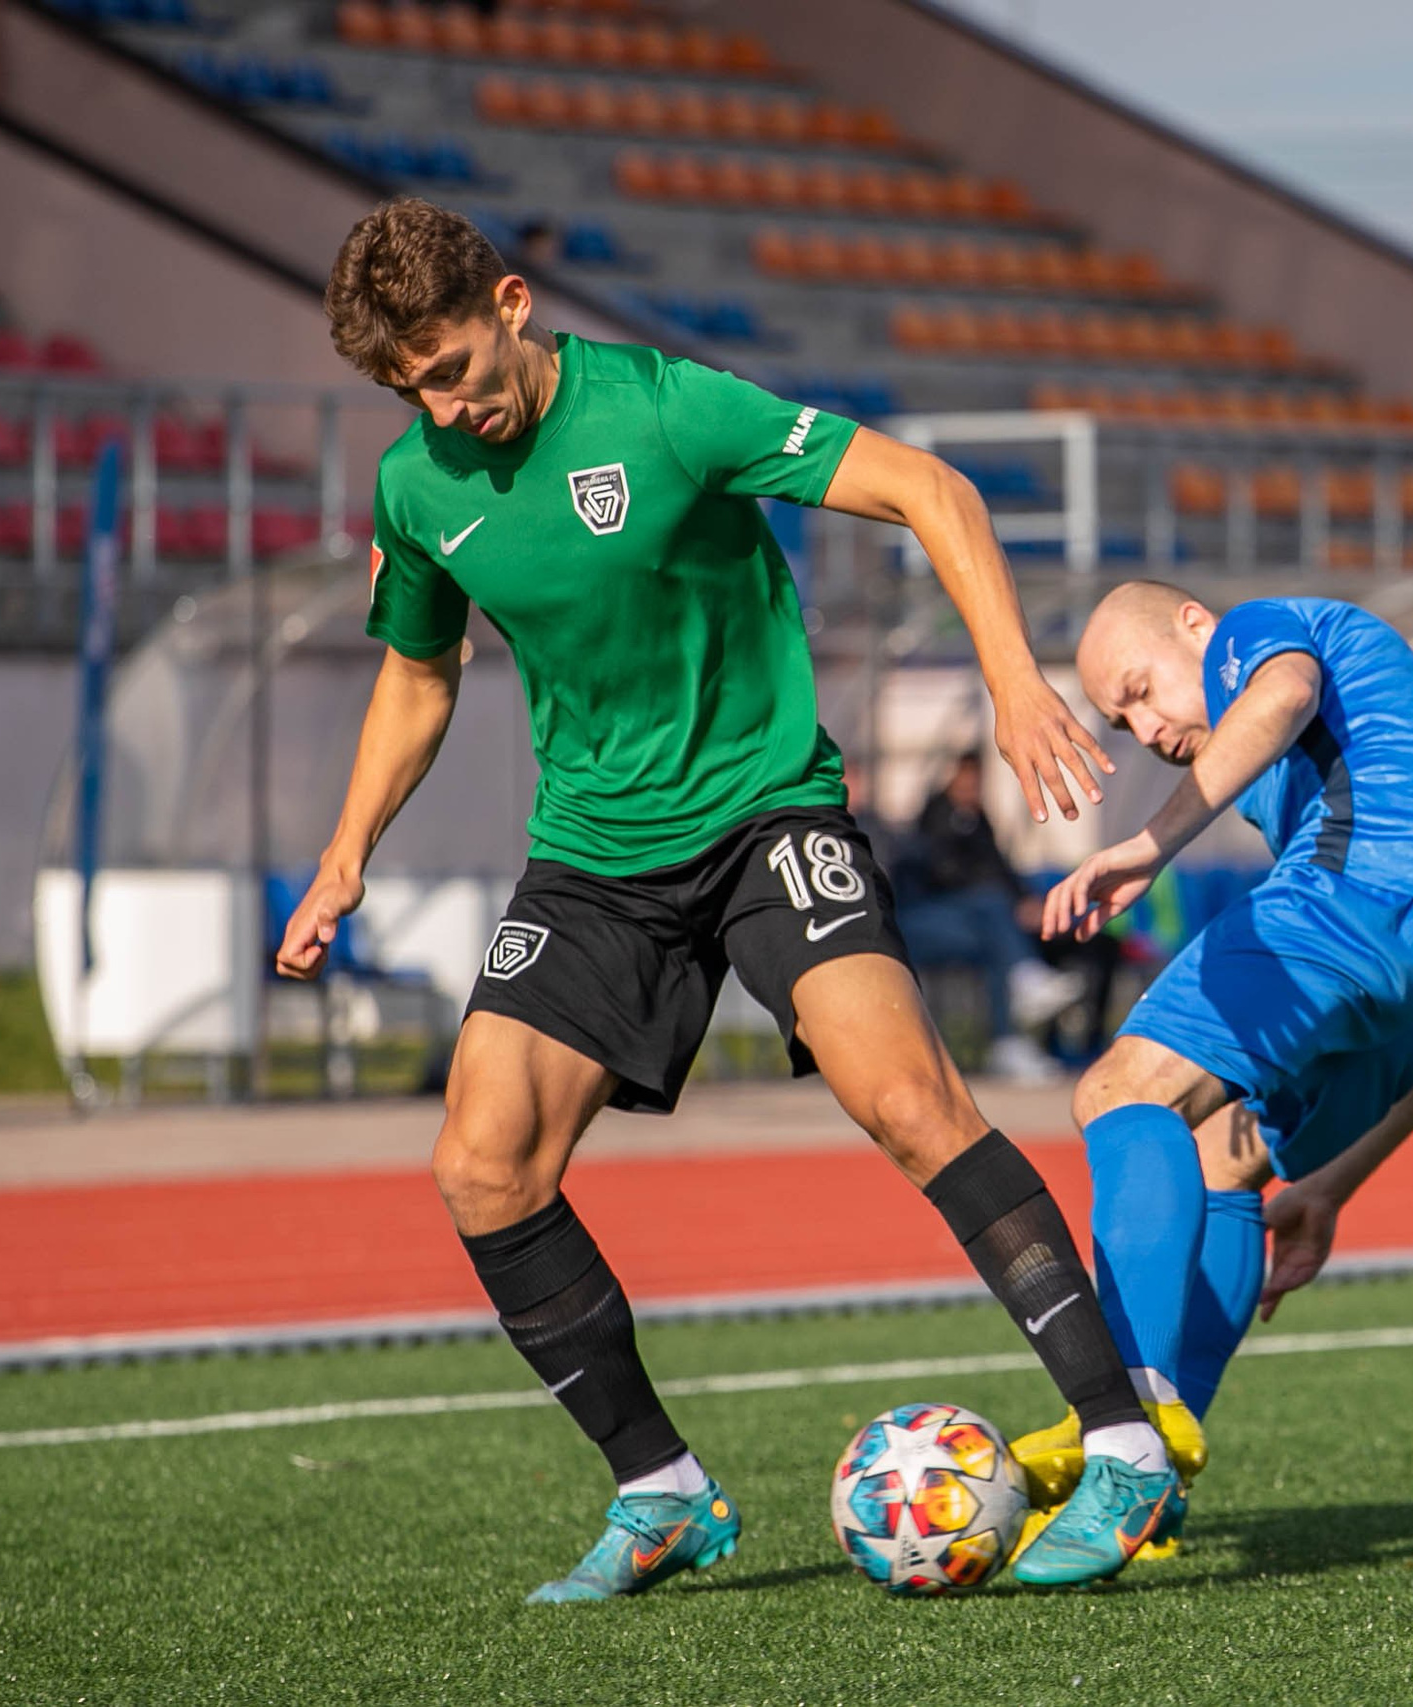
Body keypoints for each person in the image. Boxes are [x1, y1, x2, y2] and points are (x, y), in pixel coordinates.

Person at [277, 197, 1169, 1600]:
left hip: (764, 812)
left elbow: (936, 489)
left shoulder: (671, 408)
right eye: (407, 387)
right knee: (482, 1158)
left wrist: (1011, 681)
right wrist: (347, 851)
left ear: (508, 304)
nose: (440, 404)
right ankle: (662, 1487)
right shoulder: (415, 485)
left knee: (909, 1098)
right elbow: (420, 669)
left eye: (448, 364)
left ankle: (1123, 1441)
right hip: (592, 850)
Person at [1011, 582, 1413, 1559]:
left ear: (1195, 629)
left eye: (1137, 690)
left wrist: (1148, 845)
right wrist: (1332, 1185)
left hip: (1369, 882)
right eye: (1120, 721)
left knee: (1120, 1091)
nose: (1146, 726)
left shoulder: (1257, 629)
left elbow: (1282, 688)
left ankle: (1123, 1435)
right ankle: (1153, 1486)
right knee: (1219, 1152)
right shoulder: (1390, 746)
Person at [896, 749, 1085, 1083]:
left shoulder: (979, 818)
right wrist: (1009, 902)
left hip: (972, 923)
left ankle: (1007, 1045)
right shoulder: (936, 817)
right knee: (992, 907)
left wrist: (1027, 901)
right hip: (927, 919)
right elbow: (944, 874)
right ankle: (1026, 979)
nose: (972, 786)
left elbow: (1001, 867)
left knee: (997, 944)